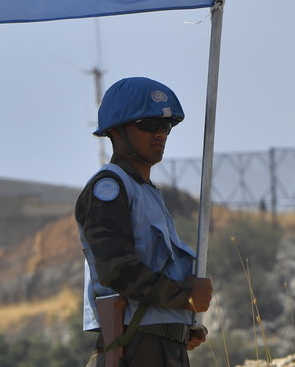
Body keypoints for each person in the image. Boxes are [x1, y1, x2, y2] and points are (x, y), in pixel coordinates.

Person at [75, 77, 214, 367]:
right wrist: (185, 296)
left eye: (165, 126)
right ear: (116, 130)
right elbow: (119, 271)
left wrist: (183, 323)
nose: (160, 134)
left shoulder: (146, 192)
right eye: (148, 124)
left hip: (163, 347)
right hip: (133, 347)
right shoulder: (109, 188)